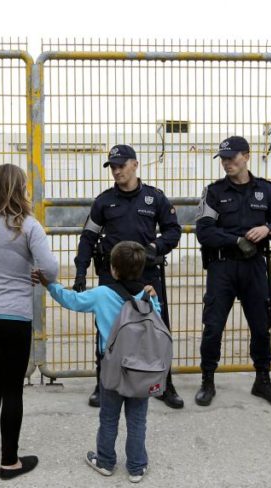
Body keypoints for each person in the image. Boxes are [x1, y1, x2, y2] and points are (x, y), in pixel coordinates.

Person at [34, 241, 158, 483]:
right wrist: (153, 297)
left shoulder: (102, 294)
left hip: (112, 365)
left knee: (109, 416)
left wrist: (50, 284)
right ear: (141, 268)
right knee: (137, 418)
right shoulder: (148, 296)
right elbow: (158, 319)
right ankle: (136, 467)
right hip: (142, 366)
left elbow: (72, 300)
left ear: (113, 269)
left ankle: (105, 461)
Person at [0, 164, 58, 480]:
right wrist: (32, 275)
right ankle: (10, 462)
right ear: (20, 189)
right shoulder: (29, 226)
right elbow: (51, 269)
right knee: (12, 385)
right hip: (13, 316)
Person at [73, 144, 183, 409]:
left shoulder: (154, 198)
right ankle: (103, 383)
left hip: (146, 275)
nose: (116, 170)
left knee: (155, 327)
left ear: (135, 164)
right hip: (112, 277)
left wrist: (155, 247)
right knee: (107, 331)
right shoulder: (103, 201)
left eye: (121, 165)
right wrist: (80, 272)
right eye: (112, 166)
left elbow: (173, 230)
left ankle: (164, 384)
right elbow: (88, 237)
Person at [194, 136, 271, 407]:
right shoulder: (214, 192)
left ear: (246, 156)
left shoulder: (266, 191)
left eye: (232, 158)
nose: (227, 163)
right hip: (222, 267)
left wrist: (267, 228)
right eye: (223, 159)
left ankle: (263, 380)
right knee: (213, 327)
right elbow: (204, 231)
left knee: (261, 326)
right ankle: (207, 380)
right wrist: (236, 240)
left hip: (254, 267)